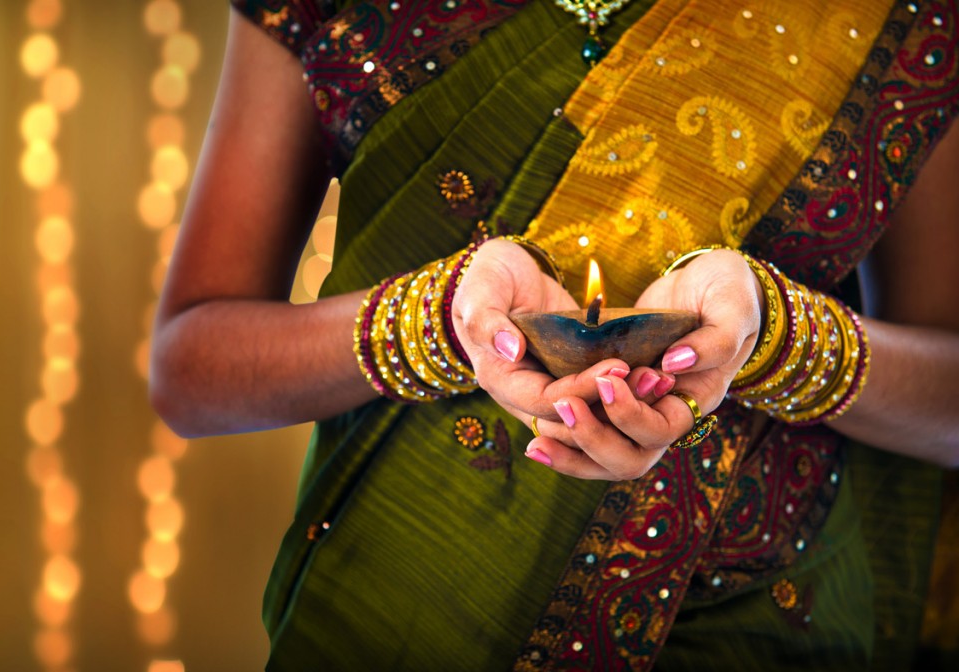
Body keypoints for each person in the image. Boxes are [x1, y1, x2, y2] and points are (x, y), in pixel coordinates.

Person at [150, 0, 959, 668]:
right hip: (406, 608)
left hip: (762, 622)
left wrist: (778, 336)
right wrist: (438, 318)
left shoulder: (890, 15)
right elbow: (191, 369)